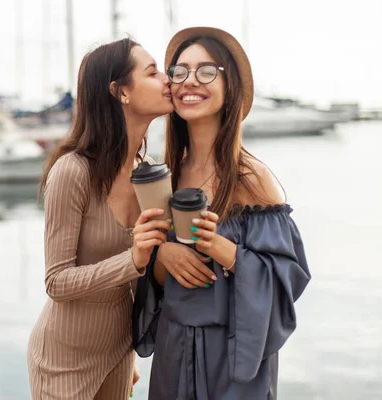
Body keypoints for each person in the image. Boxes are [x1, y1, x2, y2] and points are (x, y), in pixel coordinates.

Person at [146, 27, 312, 399]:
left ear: (229, 85)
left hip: (233, 358)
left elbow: (287, 279)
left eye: (206, 71)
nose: (191, 81)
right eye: (180, 71)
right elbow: (154, 283)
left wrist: (223, 249)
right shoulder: (166, 172)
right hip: (174, 354)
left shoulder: (251, 177)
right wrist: (162, 252)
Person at [27, 38, 174, 400]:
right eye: (153, 72)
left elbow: (140, 281)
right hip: (63, 361)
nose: (168, 79)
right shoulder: (72, 171)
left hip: (118, 354)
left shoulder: (151, 174)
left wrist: (133, 347)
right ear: (120, 91)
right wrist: (133, 259)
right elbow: (56, 282)